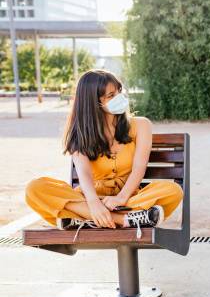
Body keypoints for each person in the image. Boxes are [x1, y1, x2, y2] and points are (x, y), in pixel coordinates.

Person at [25, 69, 183, 240]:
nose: (119, 98)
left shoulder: (142, 125)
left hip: (129, 198)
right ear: (94, 102)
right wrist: (94, 204)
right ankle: (123, 220)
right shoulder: (79, 133)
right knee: (35, 189)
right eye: (111, 95)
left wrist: (121, 198)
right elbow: (84, 172)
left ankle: (83, 219)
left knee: (172, 190)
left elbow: (139, 168)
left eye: (119, 91)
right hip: (91, 197)